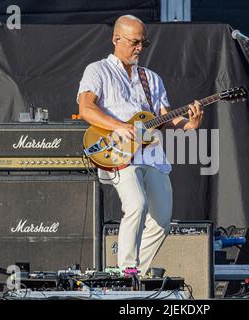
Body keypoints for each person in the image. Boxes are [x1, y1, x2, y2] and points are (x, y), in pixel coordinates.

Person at [77, 15, 203, 275]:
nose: (139, 48)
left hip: (152, 154)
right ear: (116, 39)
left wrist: (189, 125)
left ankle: (136, 274)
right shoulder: (97, 70)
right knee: (136, 205)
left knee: (162, 220)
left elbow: (165, 117)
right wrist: (118, 126)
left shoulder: (151, 78)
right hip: (120, 152)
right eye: (135, 42)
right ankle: (126, 269)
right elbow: (86, 108)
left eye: (143, 43)